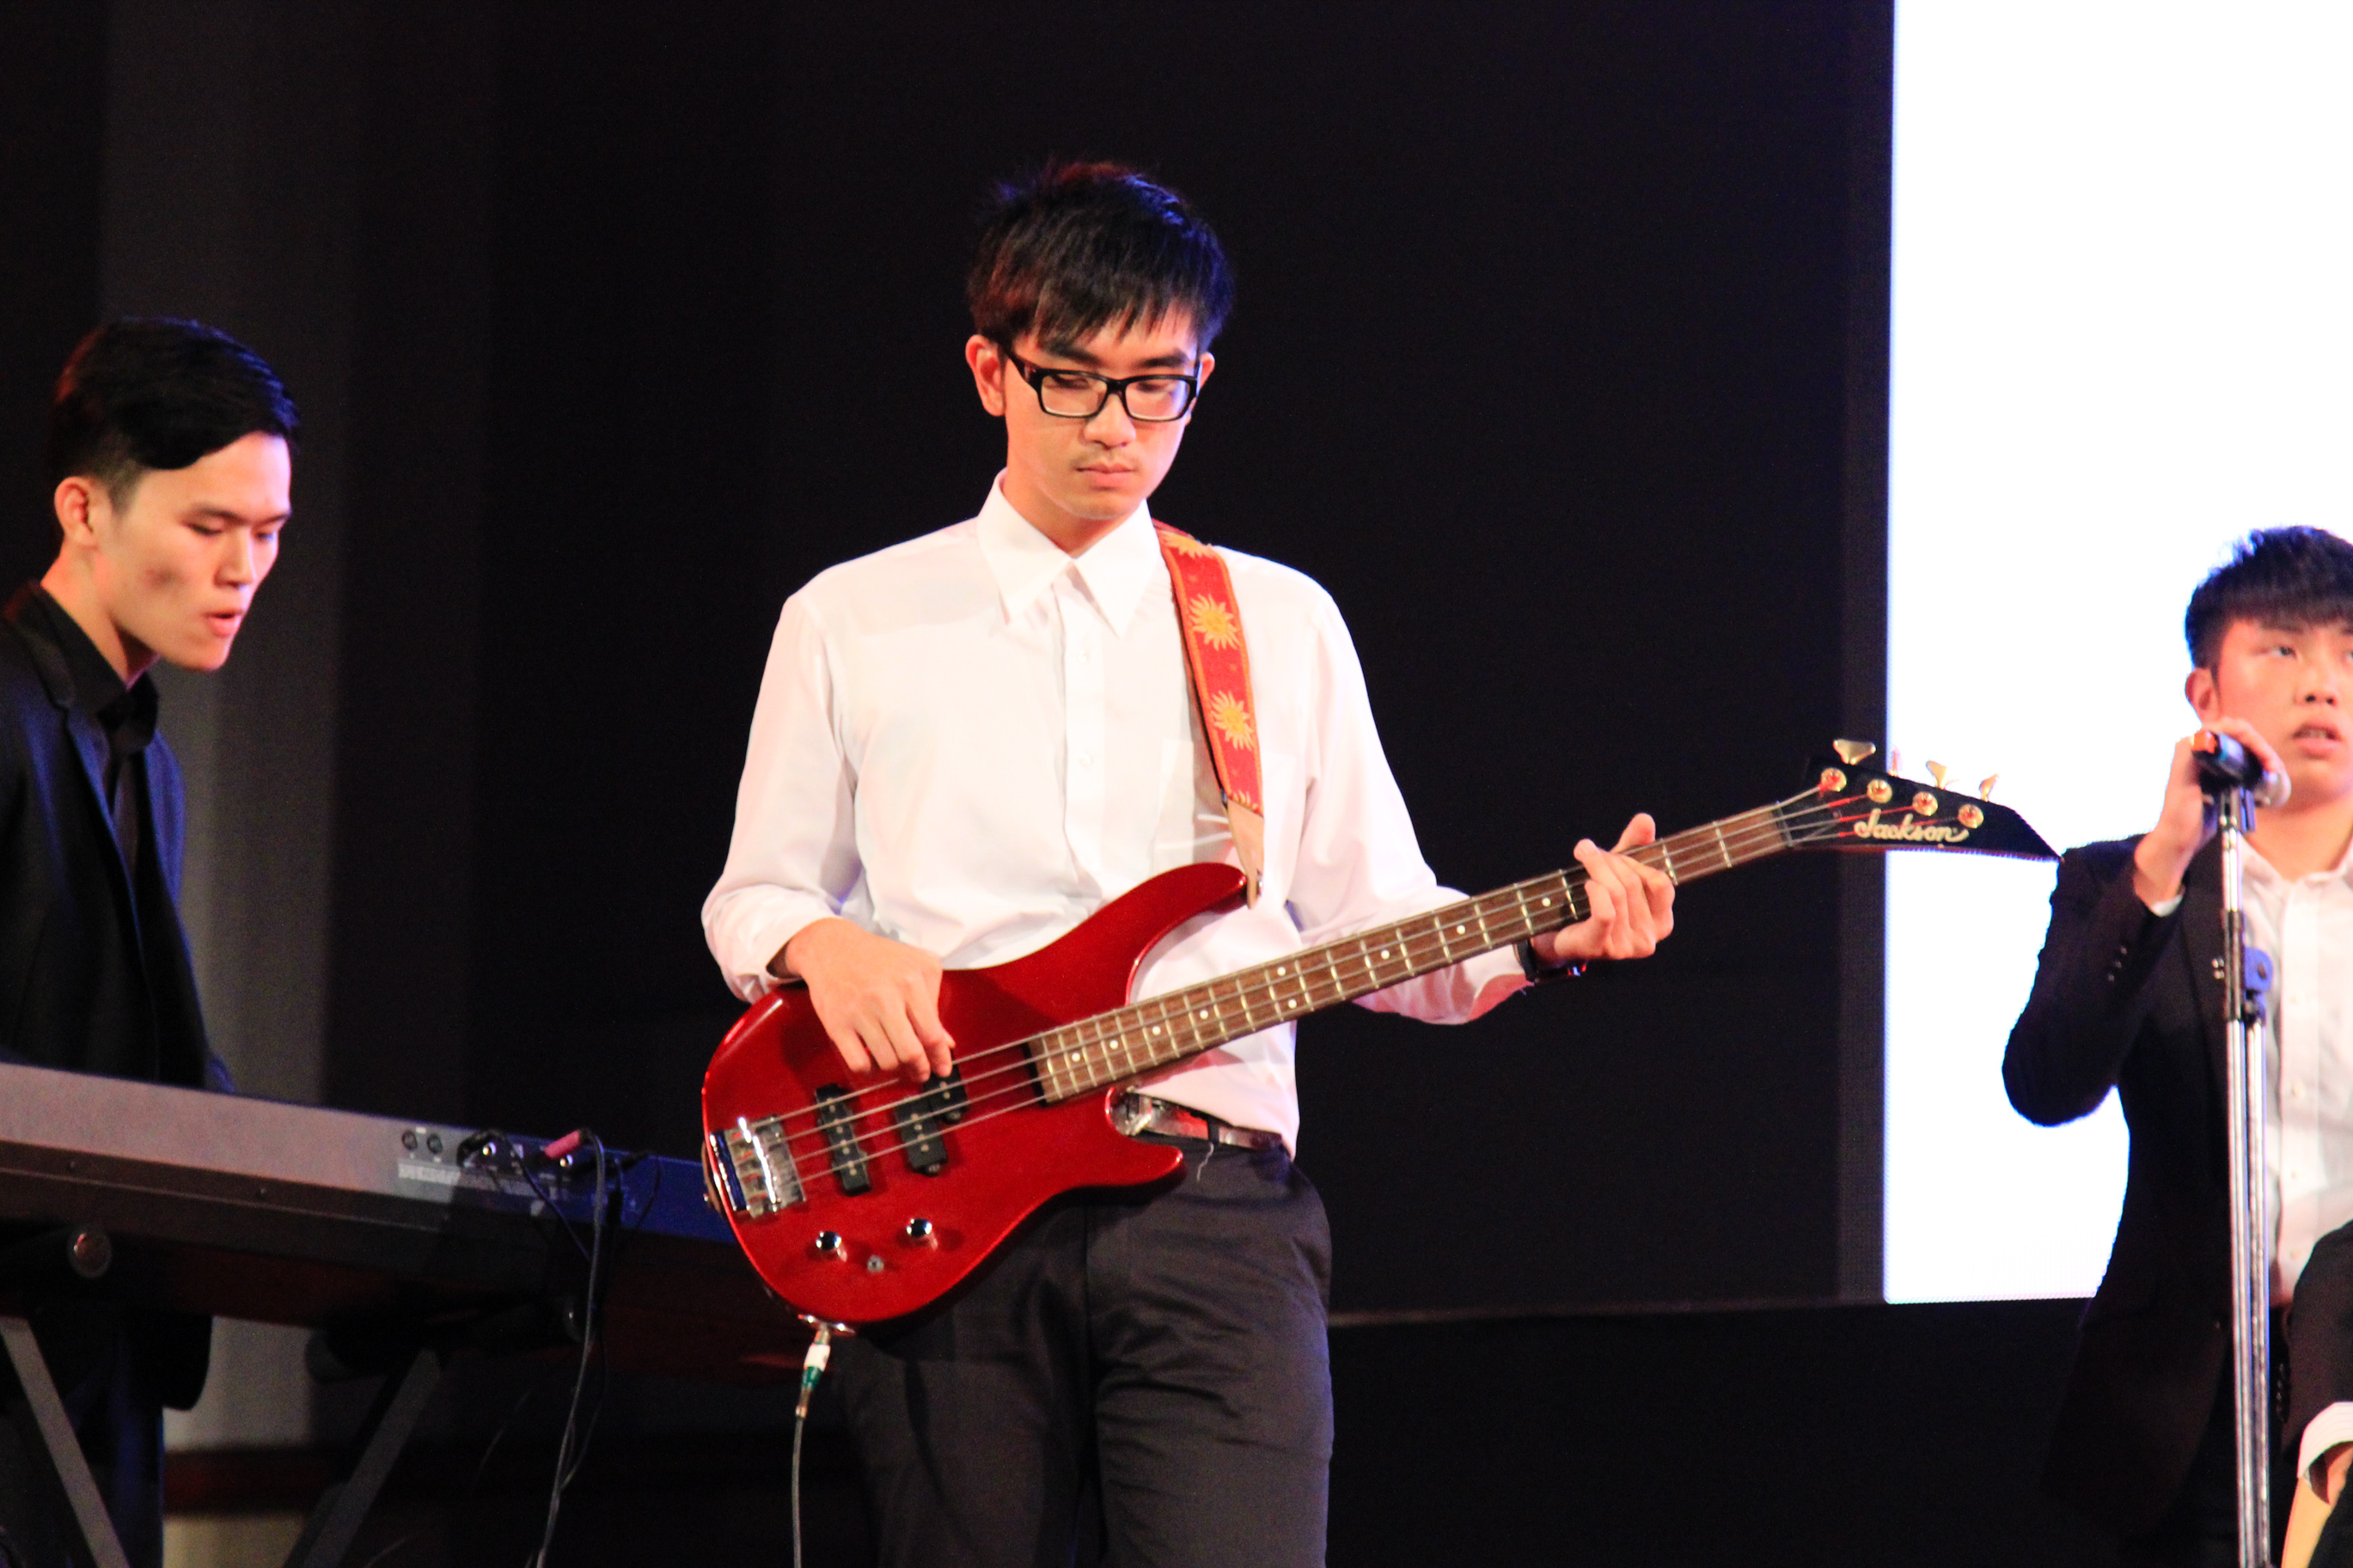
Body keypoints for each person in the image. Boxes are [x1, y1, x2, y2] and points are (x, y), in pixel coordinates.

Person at [702, 162, 1674, 1567]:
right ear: (990, 370)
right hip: (948, 1204)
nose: (1114, 426)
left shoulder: (1275, 623)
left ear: (1200, 378)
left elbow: (1378, 924)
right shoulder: (851, 618)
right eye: (1072, 381)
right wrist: (827, 947)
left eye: (1155, 385)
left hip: (1210, 1213)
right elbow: (755, 895)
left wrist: (1542, 939)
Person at [0, 319, 295, 1568]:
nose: (243, 570)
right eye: (209, 526)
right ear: (84, 509)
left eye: (268, 533)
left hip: (96, 1324)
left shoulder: (149, 764)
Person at [2006, 527, 2353, 1568]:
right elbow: (2045, 1082)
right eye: (2282, 648)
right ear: (2203, 692)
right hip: (2188, 1399)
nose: (2321, 684)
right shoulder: (2120, 880)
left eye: (2347, 655)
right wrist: (2164, 860)